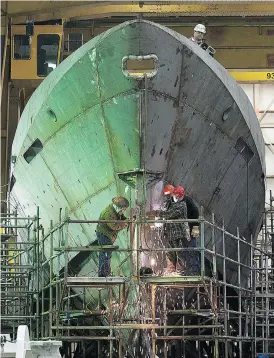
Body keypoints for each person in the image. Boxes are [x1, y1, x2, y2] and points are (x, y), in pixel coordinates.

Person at [161, 185, 190, 275]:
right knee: (170, 253)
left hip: (179, 233)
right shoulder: (173, 204)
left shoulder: (181, 205)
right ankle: (171, 270)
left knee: (179, 252)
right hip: (171, 234)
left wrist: (158, 213)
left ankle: (180, 271)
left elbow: (169, 214)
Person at [96, 197, 129, 277]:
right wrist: (125, 223)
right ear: (119, 207)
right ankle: (103, 274)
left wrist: (127, 219)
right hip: (104, 235)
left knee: (108, 253)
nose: (123, 211)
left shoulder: (116, 210)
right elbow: (114, 226)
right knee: (105, 253)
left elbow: (120, 217)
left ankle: (106, 272)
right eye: (123, 209)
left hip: (109, 235)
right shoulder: (109, 213)